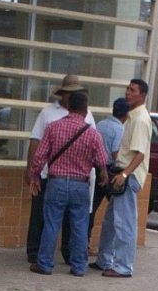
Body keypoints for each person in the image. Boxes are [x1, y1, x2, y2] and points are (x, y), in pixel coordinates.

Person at [28, 92, 109, 277]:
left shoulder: (53, 128)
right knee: (80, 226)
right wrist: (103, 174)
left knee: (51, 224)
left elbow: (40, 157)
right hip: (80, 186)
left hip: (55, 183)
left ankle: (45, 264)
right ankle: (79, 266)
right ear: (85, 109)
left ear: (69, 107)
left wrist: (34, 177)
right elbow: (101, 161)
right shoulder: (92, 133)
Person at [23, 74, 96, 265]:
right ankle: (35, 252)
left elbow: (94, 145)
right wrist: (31, 170)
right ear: (62, 94)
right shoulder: (47, 113)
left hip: (76, 176)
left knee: (70, 221)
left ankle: (66, 254)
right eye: (69, 93)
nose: (72, 96)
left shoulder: (88, 115)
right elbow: (35, 142)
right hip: (49, 173)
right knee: (41, 215)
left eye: (75, 93)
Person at [92, 79, 151, 278]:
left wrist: (124, 175)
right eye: (127, 89)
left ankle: (123, 266)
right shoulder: (132, 118)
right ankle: (104, 259)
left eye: (132, 90)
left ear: (142, 95)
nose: (128, 93)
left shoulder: (140, 120)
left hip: (128, 175)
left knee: (124, 223)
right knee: (110, 221)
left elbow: (139, 154)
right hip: (121, 173)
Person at [88, 97, 129, 237]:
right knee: (117, 208)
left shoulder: (100, 124)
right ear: (126, 114)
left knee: (91, 208)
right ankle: (112, 246)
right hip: (110, 171)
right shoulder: (119, 129)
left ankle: (84, 243)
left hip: (94, 168)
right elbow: (115, 152)